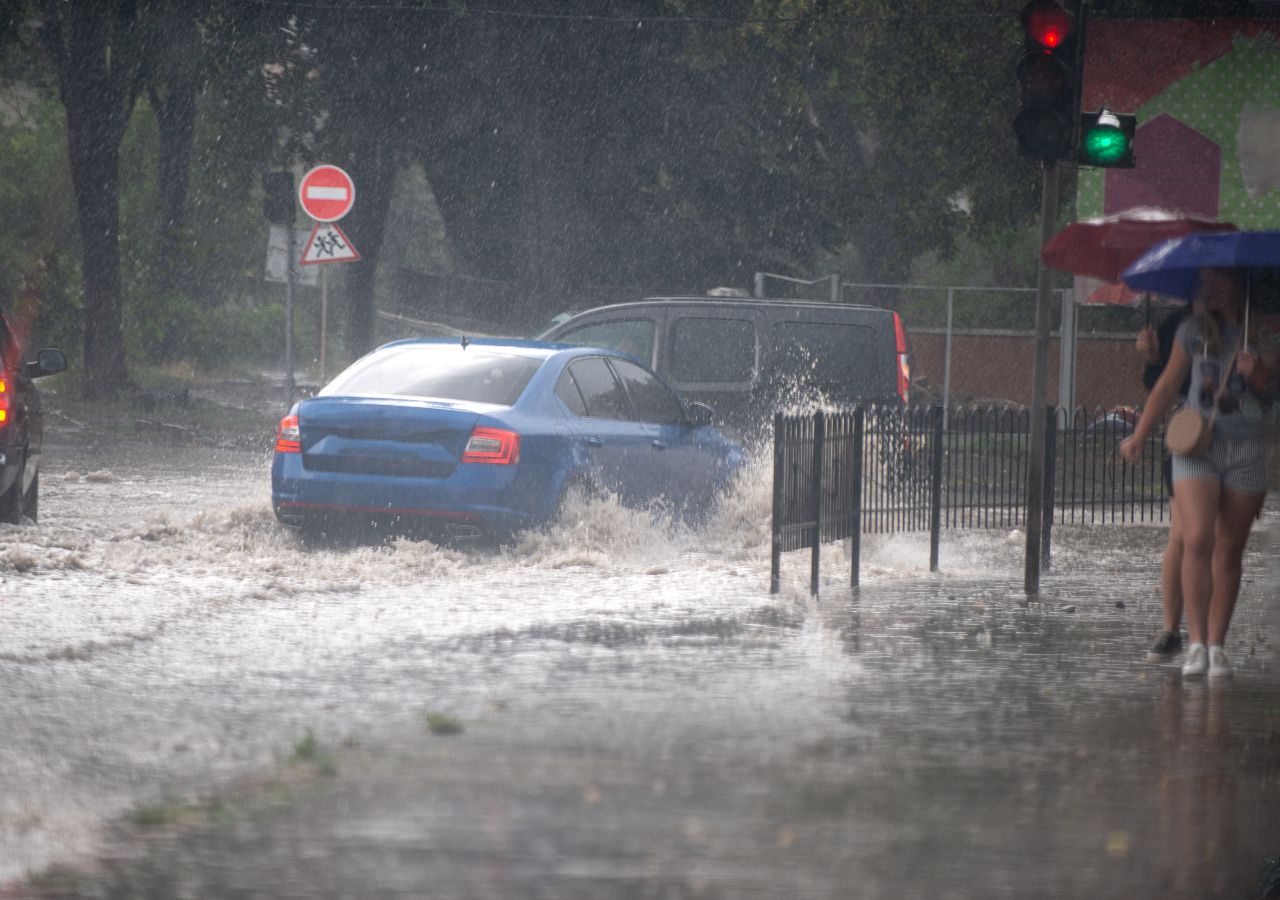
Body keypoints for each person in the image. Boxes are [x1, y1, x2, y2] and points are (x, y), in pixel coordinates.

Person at [1120, 267, 1276, 678]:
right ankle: (1193, 644)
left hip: (1246, 447)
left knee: (1229, 548)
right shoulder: (1192, 330)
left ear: (1241, 281)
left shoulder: (1265, 332)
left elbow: (1273, 392)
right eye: (1206, 279)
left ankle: (1216, 645)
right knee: (1196, 537)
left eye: (1221, 277)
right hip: (1197, 446)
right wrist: (1139, 435)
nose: (1211, 286)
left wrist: (1259, 376)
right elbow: (1168, 385)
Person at [1135, 302, 1191, 662]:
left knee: (1223, 544)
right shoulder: (1180, 324)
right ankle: (1172, 628)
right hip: (1190, 433)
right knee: (1186, 535)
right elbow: (1163, 384)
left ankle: (1209, 637)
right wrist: (1154, 357)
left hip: (1241, 437)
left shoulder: (1254, 318)